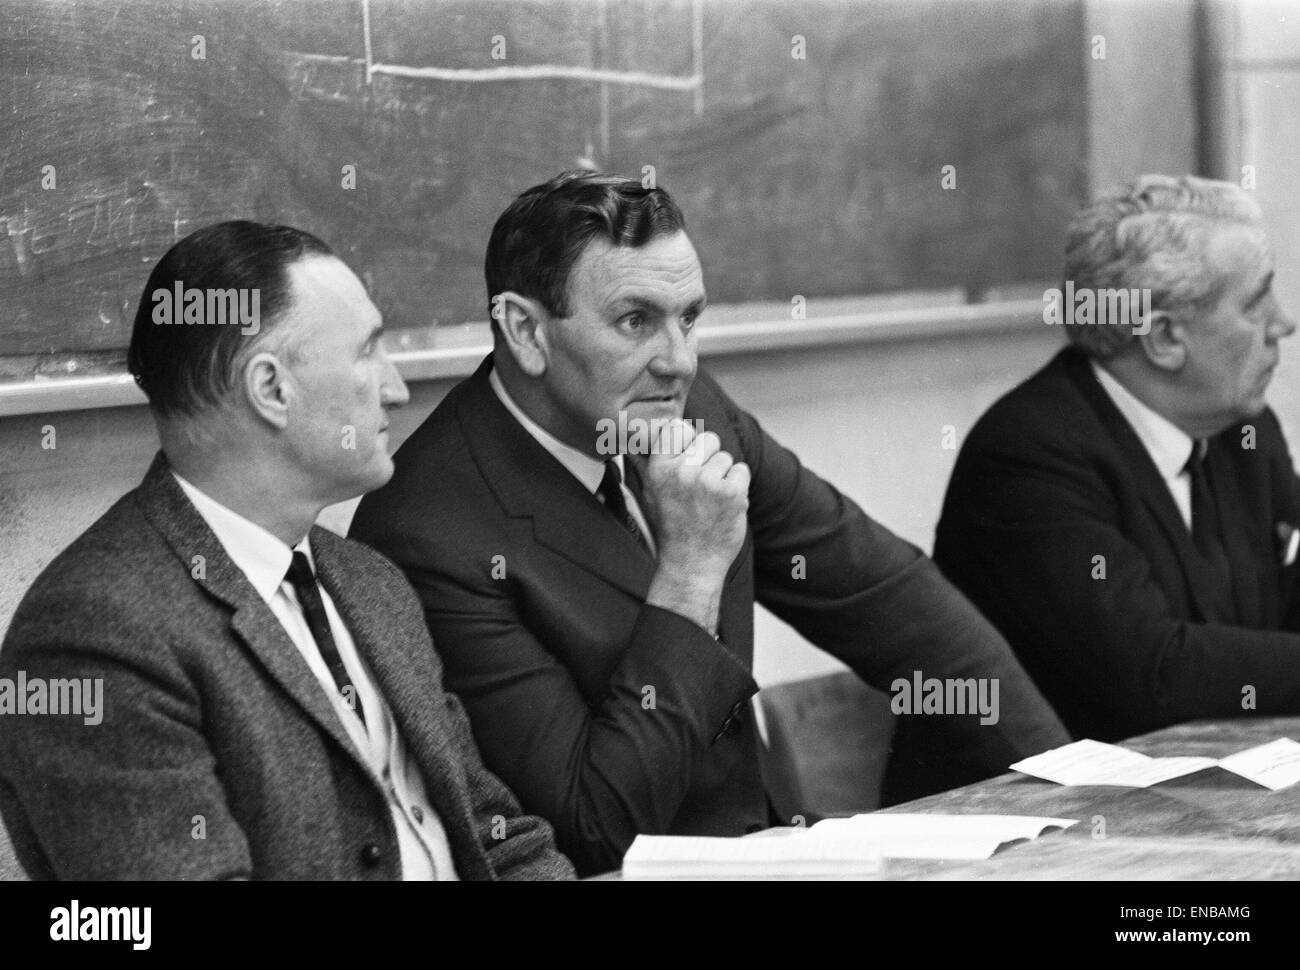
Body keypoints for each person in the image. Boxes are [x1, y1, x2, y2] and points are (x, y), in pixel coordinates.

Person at [349, 171, 1068, 875]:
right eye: (636, 322)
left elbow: (895, 602)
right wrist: (691, 571)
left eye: (689, 318)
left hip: (775, 850)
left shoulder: (688, 410)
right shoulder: (429, 534)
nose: (681, 361)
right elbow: (595, 832)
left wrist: (1065, 791)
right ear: (525, 332)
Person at [0, 221, 573, 880]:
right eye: (367, 352)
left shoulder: (370, 583)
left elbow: (496, 839)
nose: (395, 388)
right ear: (271, 389)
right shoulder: (94, 635)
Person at [934, 174, 1300, 742]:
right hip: (1037, 816)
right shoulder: (1029, 456)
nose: (1285, 323)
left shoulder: (1242, 431)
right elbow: (1150, 673)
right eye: (1256, 304)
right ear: (1164, 339)